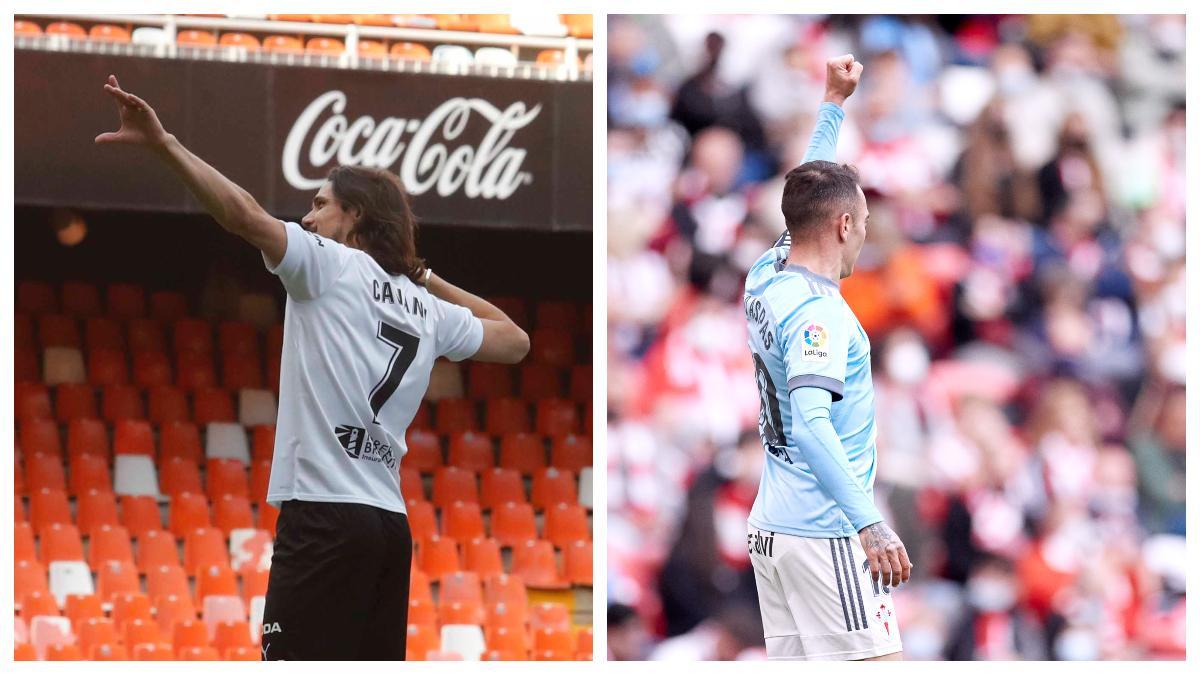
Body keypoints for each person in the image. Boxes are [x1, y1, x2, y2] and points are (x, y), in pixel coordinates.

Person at [96, 75, 530, 660]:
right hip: (387, 527)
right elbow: (516, 340)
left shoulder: (328, 265)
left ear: (353, 216)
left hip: (324, 516)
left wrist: (165, 144)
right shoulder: (426, 308)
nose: (307, 219)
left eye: (320, 204)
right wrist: (422, 277)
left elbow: (243, 215)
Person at [741, 55, 912, 661]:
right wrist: (869, 522)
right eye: (863, 220)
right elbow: (814, 424)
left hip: (773, 527)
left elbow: (805, 193)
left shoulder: (768, 271)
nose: (866, 232)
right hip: (825, 532)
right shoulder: (820, 316)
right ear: (843, 225)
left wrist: (834, 102)